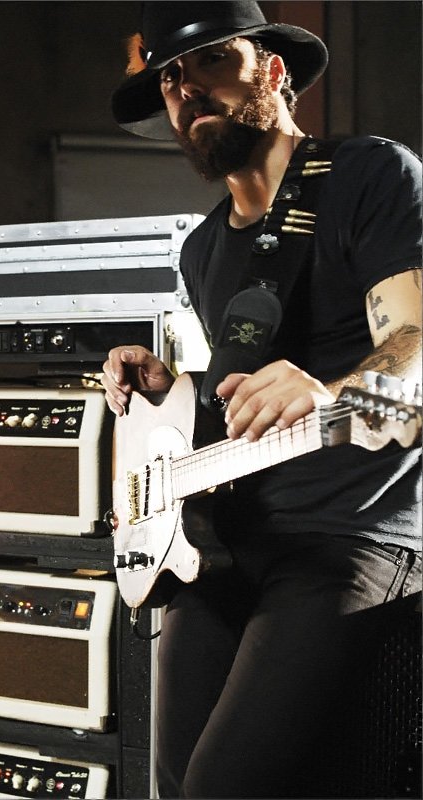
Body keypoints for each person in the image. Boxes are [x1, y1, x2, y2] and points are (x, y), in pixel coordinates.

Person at [101, 2, 422, 798]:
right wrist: (170, 394)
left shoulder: (371, 175)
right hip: (227, 540)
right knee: (174, 782)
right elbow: (237, 405)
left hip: (352, 535)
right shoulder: (204, 249)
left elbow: (413, 352)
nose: (186, 89)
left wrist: (331, 393)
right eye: (170, 77)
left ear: (273, 72)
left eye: (212, 61)